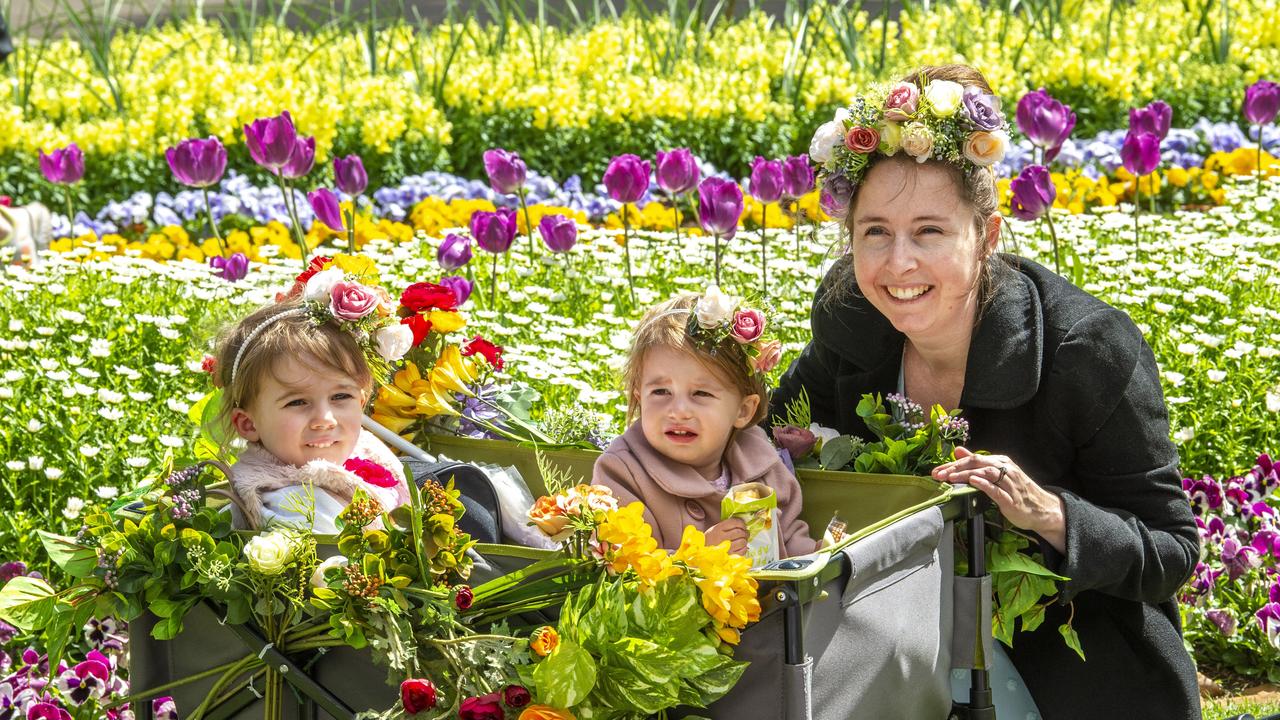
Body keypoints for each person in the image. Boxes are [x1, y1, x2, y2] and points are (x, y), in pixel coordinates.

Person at [773, 64, 1200, 719]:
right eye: (875, 232)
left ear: (987, 238)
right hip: (894, 643)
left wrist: (1050, 516)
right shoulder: (851, 316)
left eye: (930, 231)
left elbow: (1172, 550)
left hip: (1066, 669)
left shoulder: (1086, 350)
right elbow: (768, 439)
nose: (898, 263)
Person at [593, 289, 818, 559]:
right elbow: (622, 563)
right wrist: (697, 556)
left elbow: (790, 535)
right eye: (661, 392)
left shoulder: (761, 463)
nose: (678, 411)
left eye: (701, 394)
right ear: (640, 398)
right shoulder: (623, 473)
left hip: (771, 600)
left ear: (743, 411)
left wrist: (818, 555)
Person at [212, 299, 412, 533]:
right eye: (297, 402)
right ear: (248, 424)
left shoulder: (363, 451)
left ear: (361, 401)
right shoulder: (292, 505)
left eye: (340, 397)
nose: (325, 418)